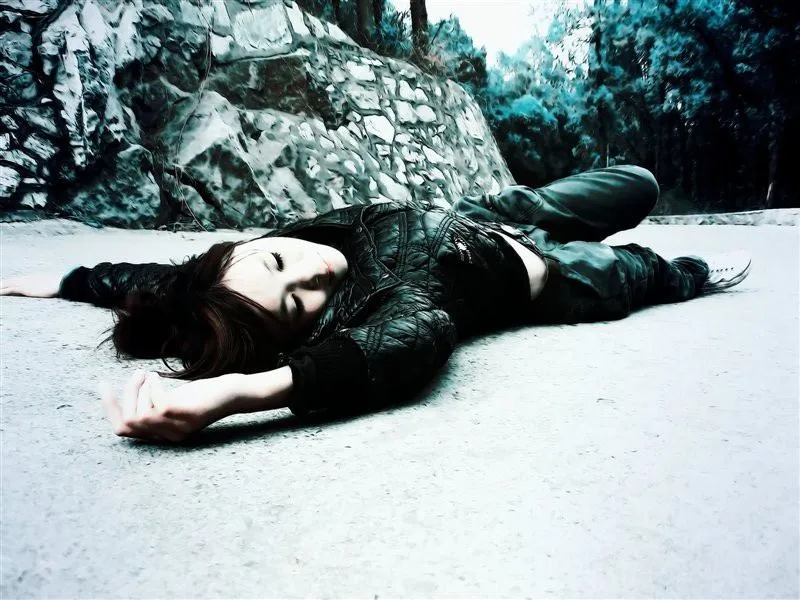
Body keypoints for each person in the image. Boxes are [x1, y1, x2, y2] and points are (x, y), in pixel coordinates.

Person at [0, 165, 751, 444]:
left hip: (495, 211)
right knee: (654, 271)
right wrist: (235, 393)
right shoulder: (391, 305)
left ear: (243, 247)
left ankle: (558, 212)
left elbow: (154, 278)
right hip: (560, 275)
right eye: (298, 305)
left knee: (639, 184)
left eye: (278, 262)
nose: (312, 275)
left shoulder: (246, 259)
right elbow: (405, 343)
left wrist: (63, 279)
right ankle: (678, 273)